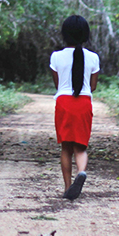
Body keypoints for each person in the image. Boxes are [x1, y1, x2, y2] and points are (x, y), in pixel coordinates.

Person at [50, 14, 100, 200]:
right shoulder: (93, 58)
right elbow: (92, 86)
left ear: (65, 34)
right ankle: (81, 172)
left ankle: (68, 187)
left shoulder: (56, 57)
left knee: (66, 148)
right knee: (81, 147)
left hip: (64, 103)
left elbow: (58, 85)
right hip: (84, 103)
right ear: (85, 34)